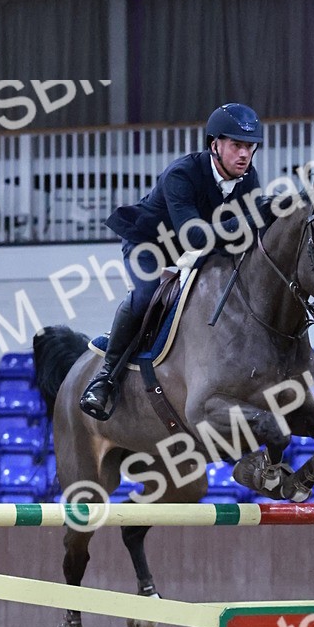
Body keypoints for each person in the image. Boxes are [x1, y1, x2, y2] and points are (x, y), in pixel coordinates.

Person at [79, 102, 264, 420]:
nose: (244, 154)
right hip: (149, 245)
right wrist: (255, 217)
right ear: (214, 145)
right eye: (236, 145)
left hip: (196, 252)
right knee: (147, 295)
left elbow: (249, 237)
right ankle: (105, 378)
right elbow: (195, 237)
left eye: (249, 146)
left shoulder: (248, 179)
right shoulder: (183, 173)